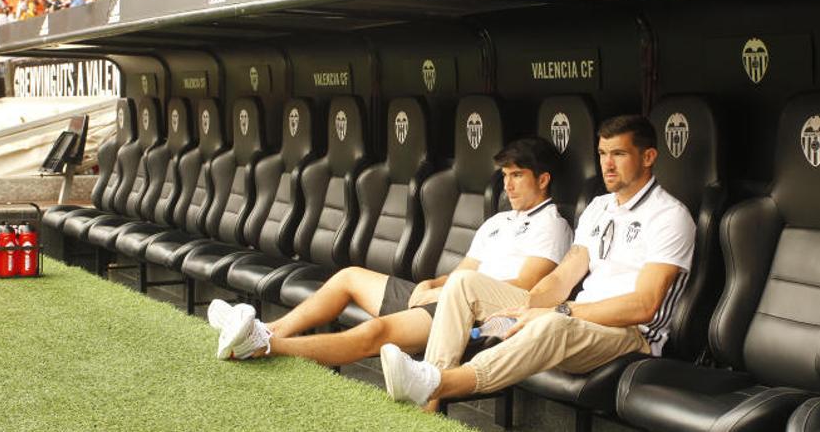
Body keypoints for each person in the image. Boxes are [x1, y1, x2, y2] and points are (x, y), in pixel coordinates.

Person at [379, 115, 696, 411]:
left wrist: (558, 311)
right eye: (602, 153)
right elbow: (561, 279)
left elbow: (644, 306)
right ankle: (428, 408)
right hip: (577, 319)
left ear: (649, 157)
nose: (607, 165)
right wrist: (528, 307)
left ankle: (434, 383)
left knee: (553, 323)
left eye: (619, 154)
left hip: (629, 335)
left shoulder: (669, 216)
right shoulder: (600, 207)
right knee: (463, 283)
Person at [210, 137, 574, 366]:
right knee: (349, 276)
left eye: (518, 176)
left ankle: (267, 347)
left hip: (477, 315)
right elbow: (465, 268)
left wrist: (447, 291)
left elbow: (525, 288)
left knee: (375, 333)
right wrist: (432, 283)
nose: (508, 184)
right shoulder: (497, 221)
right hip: (443, 297)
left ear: (543, 180)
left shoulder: (553, 224)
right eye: (506, 176)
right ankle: (267, 328)